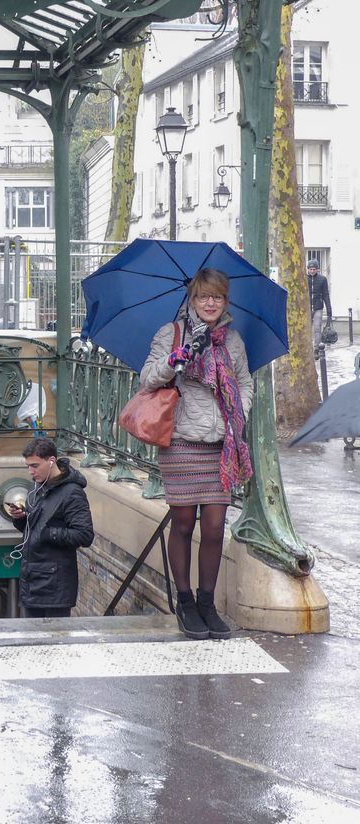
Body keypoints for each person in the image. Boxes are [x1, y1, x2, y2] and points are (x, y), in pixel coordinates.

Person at [140, 268, 253, 641]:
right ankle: (185, 601)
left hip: (219, 444)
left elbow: (244, 381)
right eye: (204, 296)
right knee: (184, 522)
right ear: (192, 299)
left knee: (216, 525)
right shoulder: (170, 334)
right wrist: (178, 358)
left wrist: (239, 414)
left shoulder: (232, 340)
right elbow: (147, 379)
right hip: (182, 441)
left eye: (217, 297)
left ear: (225, 302)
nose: (210, 303)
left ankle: (207, 602)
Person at [6, 437, 94, 618]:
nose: (31, 471)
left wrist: (46, 533)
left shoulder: (72, 493)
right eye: (28, 466)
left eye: (35, 466)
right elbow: (33, 526)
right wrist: (21, 519)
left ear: (51, 461)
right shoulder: (37, 487)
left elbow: (85, 535)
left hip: (55, 586)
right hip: (32, 580)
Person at [307, 258, 332, 357]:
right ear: (308, 269)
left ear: (318, 269)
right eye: (310, 269)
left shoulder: (322, 279)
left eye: (314, 269)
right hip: (307, 308)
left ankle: (316, 349)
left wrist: (329, 309)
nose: (312, 271)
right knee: (307, 329)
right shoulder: (304, 278)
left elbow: (326, 294)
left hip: (318, 307)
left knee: (317, 328)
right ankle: (307, 348)